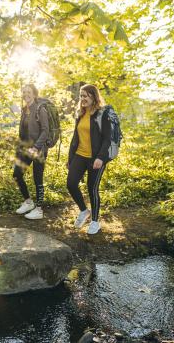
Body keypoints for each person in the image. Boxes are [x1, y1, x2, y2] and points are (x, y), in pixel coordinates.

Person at [67, 84, 111, 234]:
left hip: (96, 158)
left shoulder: (101, 114)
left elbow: (107, 139)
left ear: (94, 97)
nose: (83, 98)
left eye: (86, 95)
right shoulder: (80, 113)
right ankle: (84, 211)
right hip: (79, 155)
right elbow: (75, 137)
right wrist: (70, 158)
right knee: (71, 184)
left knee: (92, 189)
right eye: (81, 95)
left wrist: (101, 158)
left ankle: (95, 221)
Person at [13, 84, 49, 220]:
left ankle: (39, 209)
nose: (26, 94)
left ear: (34, 94)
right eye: (24, 92)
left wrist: (36, 147)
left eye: (29, 92)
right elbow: (22, 134)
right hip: (25, 149)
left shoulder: (41, 109)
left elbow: (45, 131)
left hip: (38, 150)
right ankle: (28, 202)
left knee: (37, 178)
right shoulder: (24, 110)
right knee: (17, 174)